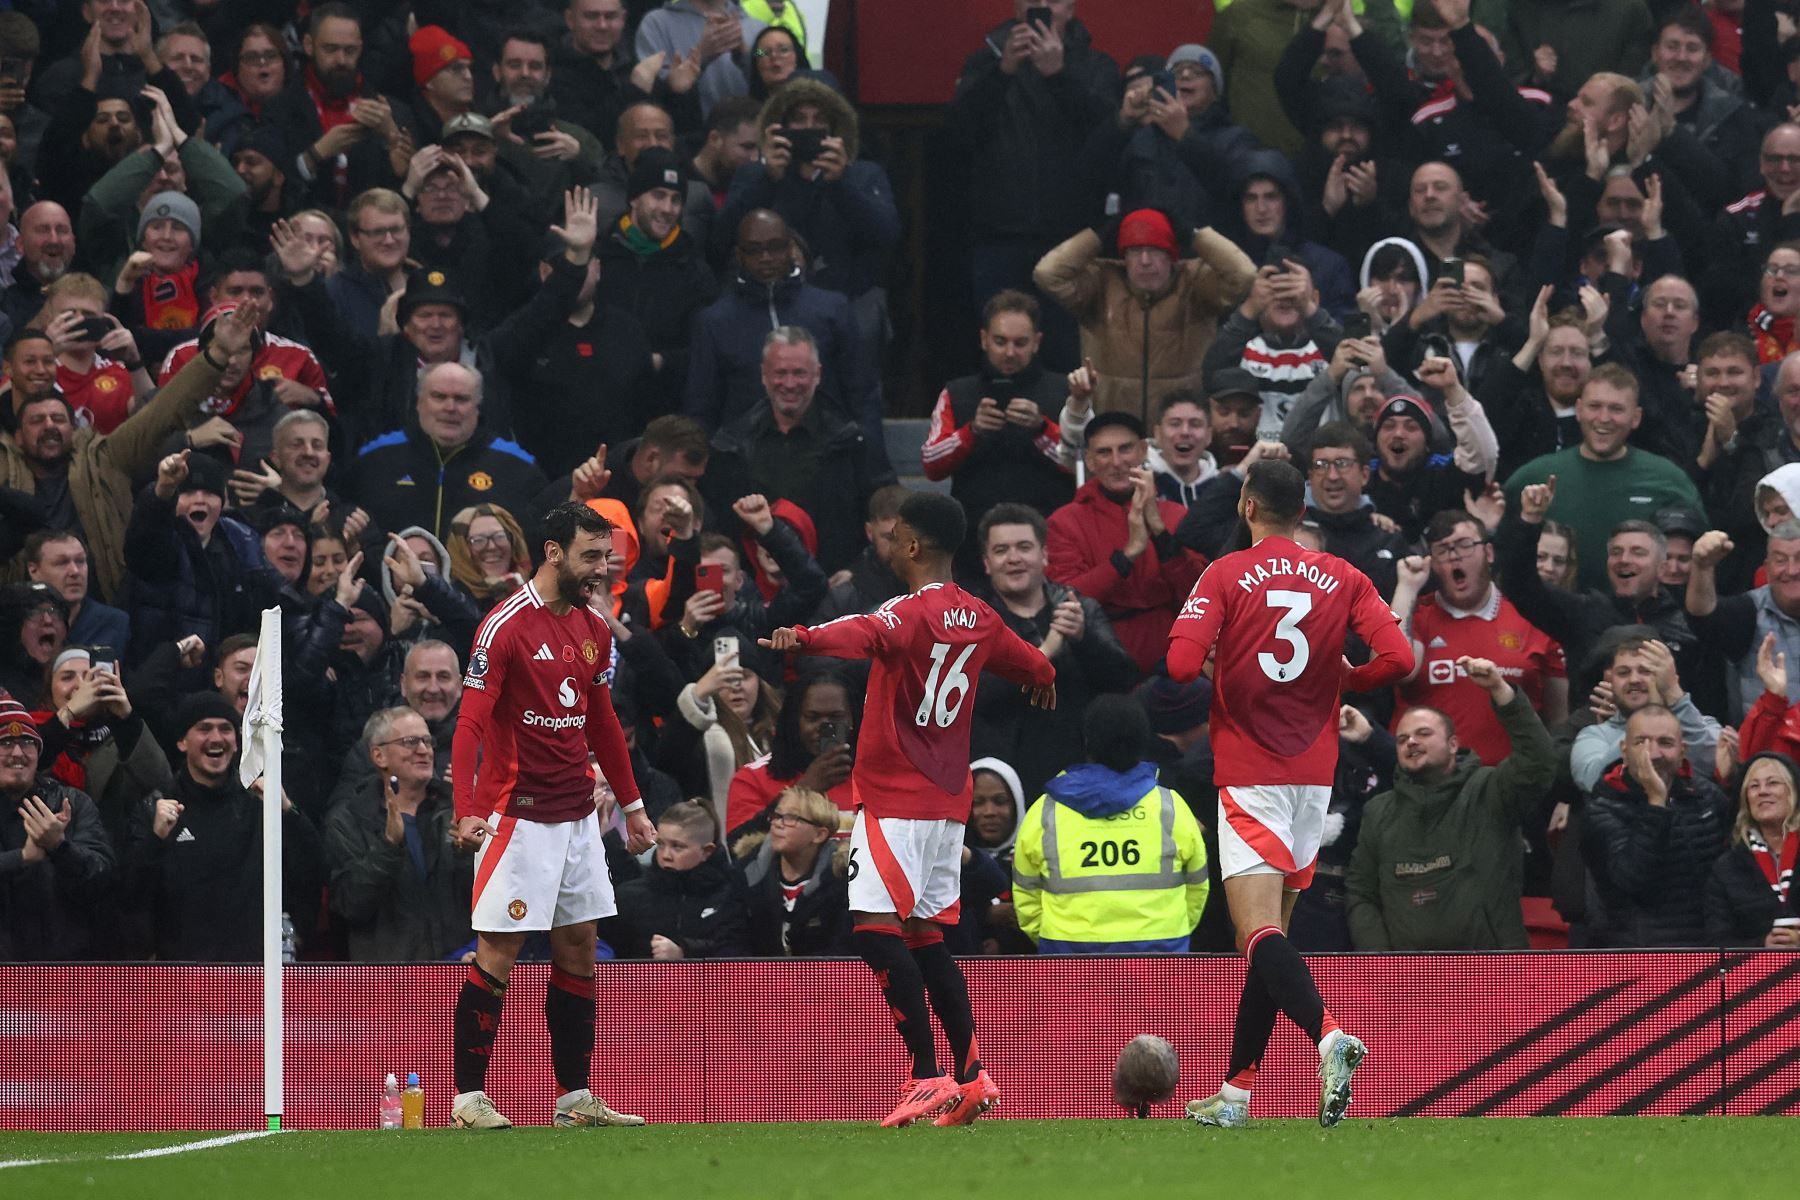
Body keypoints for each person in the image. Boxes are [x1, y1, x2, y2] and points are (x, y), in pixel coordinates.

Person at [758, 491, 1056, 1127]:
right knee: (923, 937)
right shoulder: (979, 615)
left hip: (894, 797)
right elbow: (1030, 661)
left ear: (914, 546)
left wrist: (804, 635)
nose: (886, 547)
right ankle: (974, 1075)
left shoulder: (906, 612)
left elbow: (859, 632)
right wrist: (1044, 679)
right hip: (948, 805)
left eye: (893, 538)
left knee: (873, 932)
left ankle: (925, 1074)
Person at [1167, 458, 1412, 1130]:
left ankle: (1331, 1037)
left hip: (1250, 770)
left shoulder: (1223, 575)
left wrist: (1222, 650)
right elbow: (1400, 660)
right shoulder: (1345, 576)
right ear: (1304, 512)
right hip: (1314, 777)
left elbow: (1180, 665)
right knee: (1270, 937)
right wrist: (1347, 680)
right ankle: (1236, 1094)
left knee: (1256, 933)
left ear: (1247, 507)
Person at [447, 502, 657, 1130]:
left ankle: (573, 1098)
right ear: (554, 551)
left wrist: (635, 805)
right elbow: (469, 723)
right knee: (501, 947)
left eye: (606, 556)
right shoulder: (503, 627)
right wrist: (465, 810)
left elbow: (603, 723)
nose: (601, 568)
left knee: (579, 948)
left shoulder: (592, 627)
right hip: (516, 816)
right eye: (591, 556)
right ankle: (468, 1099)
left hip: (576, 817)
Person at [1345, 658, 1557, 950]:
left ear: (1454, 745)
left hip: (1495, 972)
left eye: (1424, 733)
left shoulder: (1490, 789)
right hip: (1406, 983)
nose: (1411, 742)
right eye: (1402, 738)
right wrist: (1382, 963)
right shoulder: (1379, 811)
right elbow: (1361, 894)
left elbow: (1539, 762)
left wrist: (1500, 690)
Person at [1011, 694, 1209, 954]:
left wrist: (1055, 942)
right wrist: (1171, 935)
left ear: (1086, 742)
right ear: (1143, 742)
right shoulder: (1170, 807)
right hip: (1161, 960)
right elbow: (1197, 887)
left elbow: (1026, 896)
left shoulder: (1045, 811)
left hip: (1068, 961)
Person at [1389, 511, 1569, 764]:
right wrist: (1407, 587)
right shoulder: (1417, 614)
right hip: (1425, 785)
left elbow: (1559, 719)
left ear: (1489, 554)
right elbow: (1396, 669)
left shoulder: (1532, 616)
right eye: (1442, 550)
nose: (1454, 556)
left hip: (1512, 784)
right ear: (1432, 564)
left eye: (1464, 545)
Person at [323, 705, 472, 960]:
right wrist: (389, 846)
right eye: (410, 742)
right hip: (388, 982)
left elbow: (488, 900)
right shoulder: (349, 820)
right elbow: (350, 905)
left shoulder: (455, 811)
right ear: (379, 755)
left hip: (459, 969)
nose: (424, 750)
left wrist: (468, 851)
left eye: (427, 741)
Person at [1581, 704, 1734, 948]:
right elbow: (1633, 882)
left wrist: (1729, 782)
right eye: (1641, 742)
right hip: (1641, 957)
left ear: (1683, 750)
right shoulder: (1603, 809)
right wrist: (1656, 803)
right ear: (1624, 750)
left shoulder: (1706, 795)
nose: (1653, 754)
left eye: (1665, 742)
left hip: (1707, 949)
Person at [0, 688, 114, 961]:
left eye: (27, 742)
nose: (18, 753)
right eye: (5, 743)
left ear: (39, 753)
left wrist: (60, 848)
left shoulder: (72, 802)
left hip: (62, 973)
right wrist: (22, 858)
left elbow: (104, 882)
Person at [611, 800, 750, 958]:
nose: (666, 855)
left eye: (677, 847)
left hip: (710, 982)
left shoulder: (732, 895)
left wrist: (685, 952)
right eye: (661, 844)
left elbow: (737, 951)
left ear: (707, 851)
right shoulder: (630, 896)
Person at [734, 786, 851, 956]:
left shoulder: (841, 880)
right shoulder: (746, 872)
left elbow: (843, 947)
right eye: (776, 815)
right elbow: (732, 939)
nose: (777, 824)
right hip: (758, 978)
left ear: (819, 834)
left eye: (790, 818)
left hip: (821, 979)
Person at [1704, 752, 1800, 946]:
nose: (1762, 791)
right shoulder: (1727, 867)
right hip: (1757, 974)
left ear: (1793, 792)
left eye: (1773, 783)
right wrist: (1761, 946)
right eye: (1754, 786)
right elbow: (1716, 941)